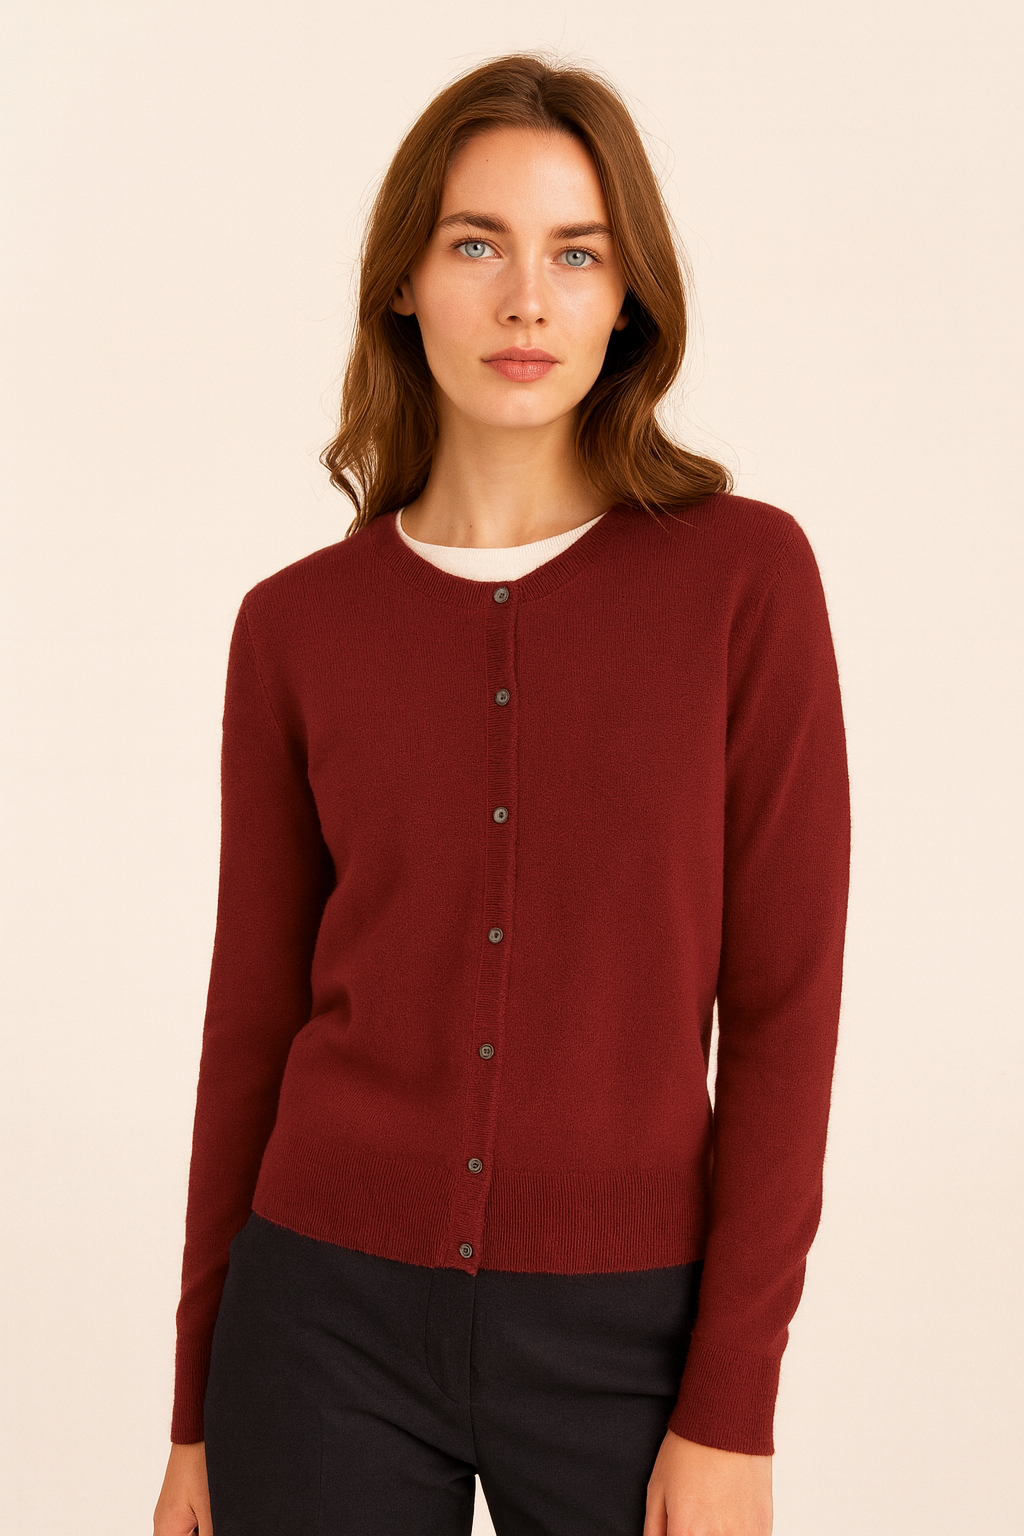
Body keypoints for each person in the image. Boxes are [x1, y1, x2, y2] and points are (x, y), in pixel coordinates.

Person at [153, 51, 850, 1536]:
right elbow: (249, 1020)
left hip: (631, 1336)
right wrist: (193, 1413)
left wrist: (734, 1407)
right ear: (406, 282)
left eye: (576, 254)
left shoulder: (745, 580)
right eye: (478, 245)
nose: (528, 300)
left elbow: (785, 1010)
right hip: (317, 1320)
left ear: (628, 296)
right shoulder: (296, 627)